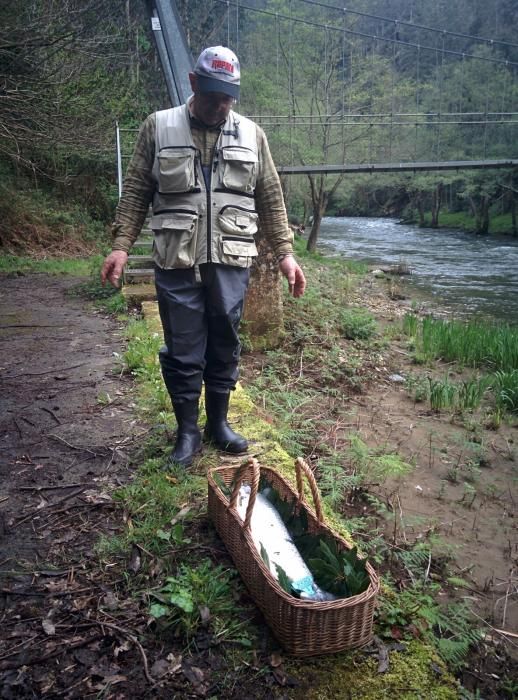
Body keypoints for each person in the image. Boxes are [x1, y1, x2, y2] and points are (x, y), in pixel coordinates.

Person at [101, 46, 306, 468]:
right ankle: (188, 433)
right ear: (194, 83)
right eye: (213, 94)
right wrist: (121, 245)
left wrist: (286, 254)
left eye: (228, 96)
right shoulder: (158, 126)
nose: (220, 105)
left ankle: (218, 423)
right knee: (183, 347)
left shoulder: (253, 135)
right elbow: (138, 189)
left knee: (226, 340)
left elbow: (270, 196)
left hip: (230, 257)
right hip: (177, 255)